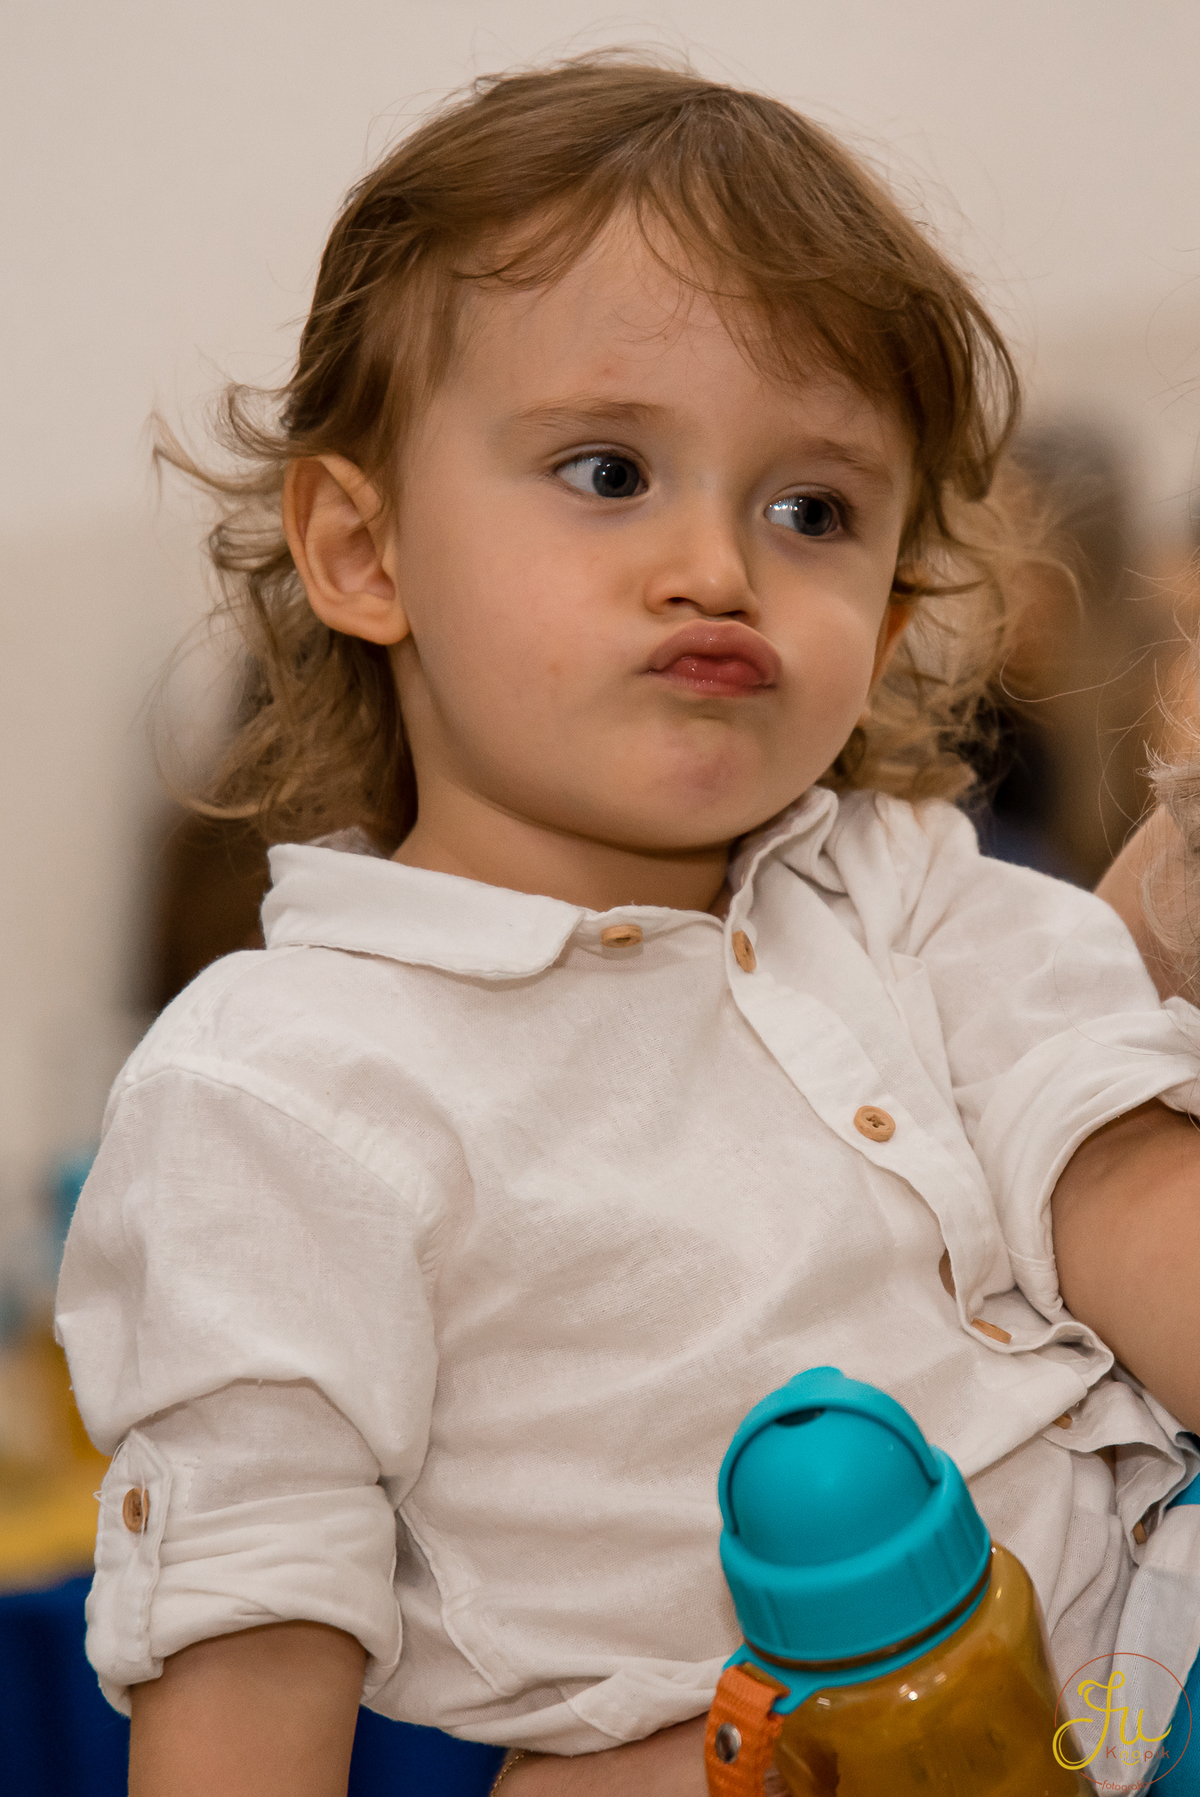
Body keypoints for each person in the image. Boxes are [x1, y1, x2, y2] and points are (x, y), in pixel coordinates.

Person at [54, 57, 1200, 1797]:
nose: (718, 565)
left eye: (813, 511)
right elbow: (247, 1636)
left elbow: (1120, 1180)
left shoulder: (906, 891)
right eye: (608, 470)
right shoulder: (276, 1090)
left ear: (888, 622)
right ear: (363, 549)